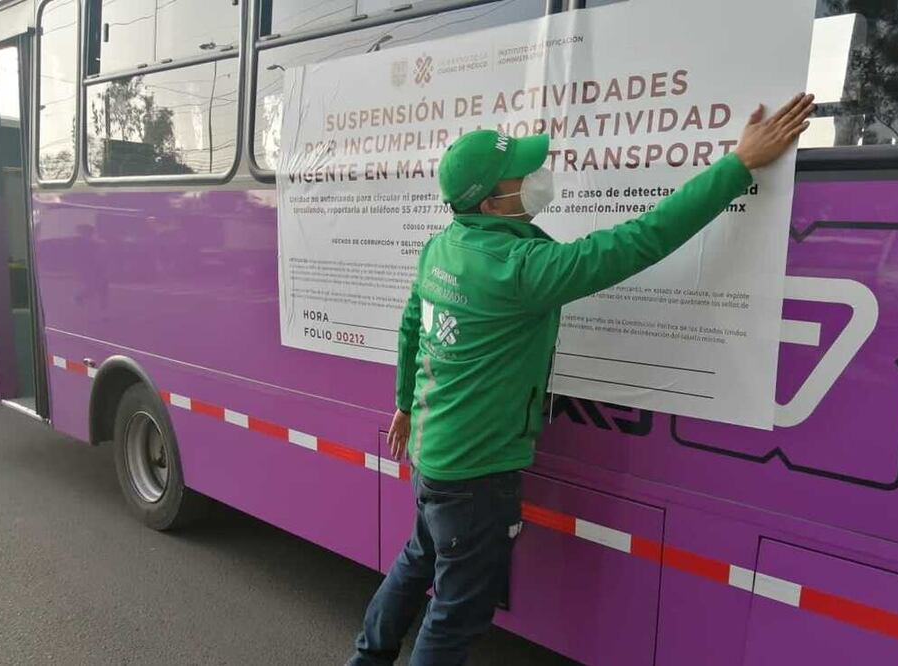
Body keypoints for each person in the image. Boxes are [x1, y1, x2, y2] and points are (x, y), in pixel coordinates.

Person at [347, 93, 816, 666]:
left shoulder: (440, 248)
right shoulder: (522, 271)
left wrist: (403, 406)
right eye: (524, 173)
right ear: (494, 202)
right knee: (455, 613)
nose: (537, 177)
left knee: (416, 560)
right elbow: (641, 239)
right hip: (476, 476)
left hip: (433, 455)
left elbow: (411, 328)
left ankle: (367, 658)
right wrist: (737, 165)